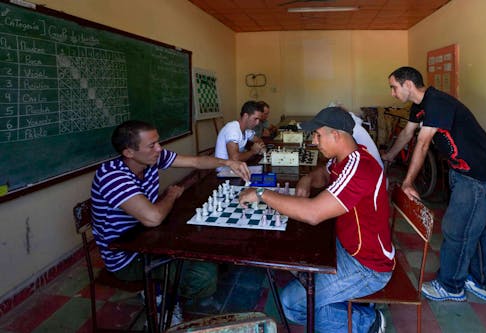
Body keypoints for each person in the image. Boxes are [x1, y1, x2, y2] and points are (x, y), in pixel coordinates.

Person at [239, 107, 394, 333]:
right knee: (300, 261)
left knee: (292, 304)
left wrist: (262, 194)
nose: (314, 141)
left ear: (337, 135)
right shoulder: (347, 158)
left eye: (318, 135)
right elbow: (324, 173)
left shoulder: (360, 168)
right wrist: (308, 178)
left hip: (367, 266)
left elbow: (313, 213)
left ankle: (368, 320)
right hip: (346, 247)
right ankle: (343, 302)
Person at [91, 120, 251, 319]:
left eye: (158, 142)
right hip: (126, 256)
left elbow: (196, 162)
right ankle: (163, 301)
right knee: (204, 275)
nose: (159, 149)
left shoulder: (152, 158)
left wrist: (227, 162)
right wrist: (171, 195)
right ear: (129, 153)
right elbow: (153, 218)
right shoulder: (112, 175)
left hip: (147, 237)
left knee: (208, 244)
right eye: (152, 145)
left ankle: (162, 289)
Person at [382, 66, 486, 303]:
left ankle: (451, 285)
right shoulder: (420, 105)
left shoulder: (437, 102)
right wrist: (388, 157)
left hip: (477, 174)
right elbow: (407, 134)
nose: (393, 93)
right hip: (463, 171)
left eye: (394, 87)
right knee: (474, 230)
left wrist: (407, 182)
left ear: (408, 84)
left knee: (456, 230)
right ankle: (480, 282)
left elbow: (423, 144)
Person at [214, 101, 266, 166]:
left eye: (259, 120)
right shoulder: (232, 129)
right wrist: (252, 151)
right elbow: (234, 159)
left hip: (236, 168)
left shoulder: (247, 130)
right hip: (223, 171)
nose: (257, 122)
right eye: (255, 119)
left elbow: (258, 140)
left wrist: (261, 147)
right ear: (246, 116)